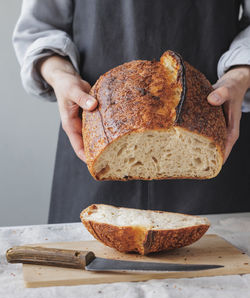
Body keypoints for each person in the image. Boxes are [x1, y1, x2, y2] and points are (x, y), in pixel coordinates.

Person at [13, 0, 250, 223]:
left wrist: (241, 74)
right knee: (87, 260)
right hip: (96, 141)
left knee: (218, 258)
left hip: (213, 143)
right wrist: (60, 76)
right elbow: (40, 29)